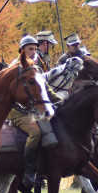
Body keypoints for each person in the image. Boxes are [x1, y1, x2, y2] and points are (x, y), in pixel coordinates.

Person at [9, 35, 60, 185]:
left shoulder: (34, 67)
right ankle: (29, 171)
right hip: (17, 110)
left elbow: (44, 89)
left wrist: (59, 100)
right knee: (35, 132)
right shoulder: (14, 67)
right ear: (22, 50)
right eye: (30, 49)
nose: (33, 52)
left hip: (32, 110)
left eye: (36, 49)